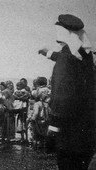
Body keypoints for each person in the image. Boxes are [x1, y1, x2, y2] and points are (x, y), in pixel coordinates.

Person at [38, 14, 95, 170]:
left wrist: (54, 126)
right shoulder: (85, 55)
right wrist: (48, 53)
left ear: (63, 32)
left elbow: (62, 95)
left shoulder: (66, 57)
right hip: (86, 129)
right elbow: (66, 58)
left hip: (68, 130)